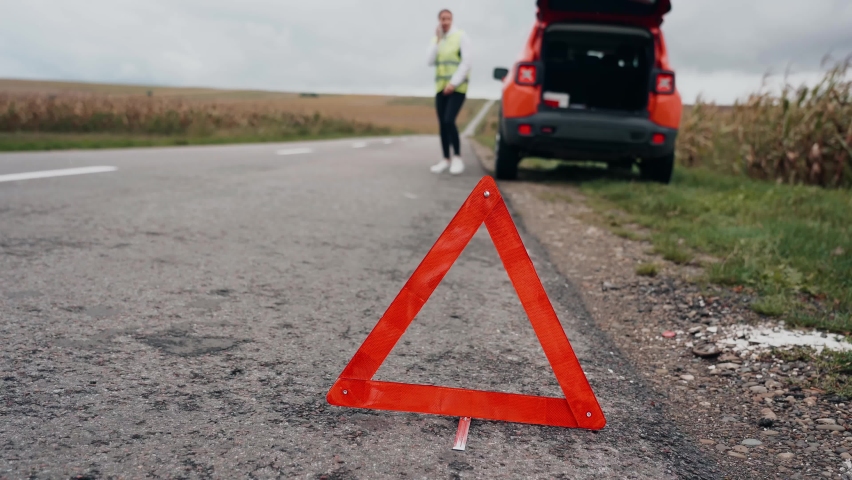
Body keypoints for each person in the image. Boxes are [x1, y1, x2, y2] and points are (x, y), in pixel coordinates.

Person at [427, 9, 472, 175]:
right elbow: (429, 61)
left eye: (448, 18)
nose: (445, 21)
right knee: (442, 124)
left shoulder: (461, 36)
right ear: (439, 21)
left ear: (452, 20)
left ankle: (457, 157)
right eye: (442, 19)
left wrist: (453, 83)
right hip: (440, 88)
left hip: (457, 88)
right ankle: (445, 159)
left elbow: (466, 62)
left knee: (449, 120)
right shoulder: (438, 39)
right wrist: (437, 40)